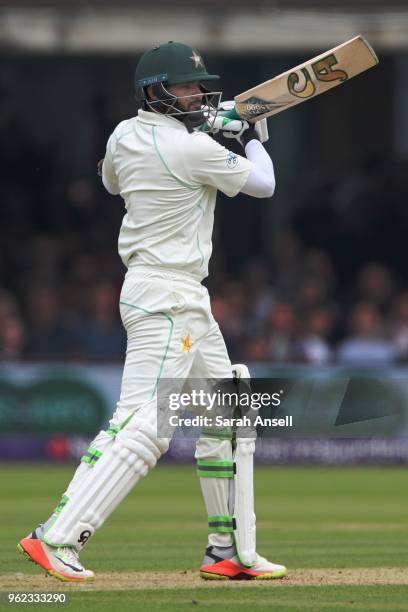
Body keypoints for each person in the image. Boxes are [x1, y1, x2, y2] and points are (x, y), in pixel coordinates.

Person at [18, 41, 287, 582]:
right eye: (187, 87)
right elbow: (265, 184)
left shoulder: (122, 135)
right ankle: (57, 536)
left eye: (198, 86)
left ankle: (229, 549)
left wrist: (211, 130)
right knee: (144, 423)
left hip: (174, 295)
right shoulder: (191, 149)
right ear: (156, 91)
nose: (197, 94)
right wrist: (252, 137)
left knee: (229, 411)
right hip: (168, 298)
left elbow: (109, 178)